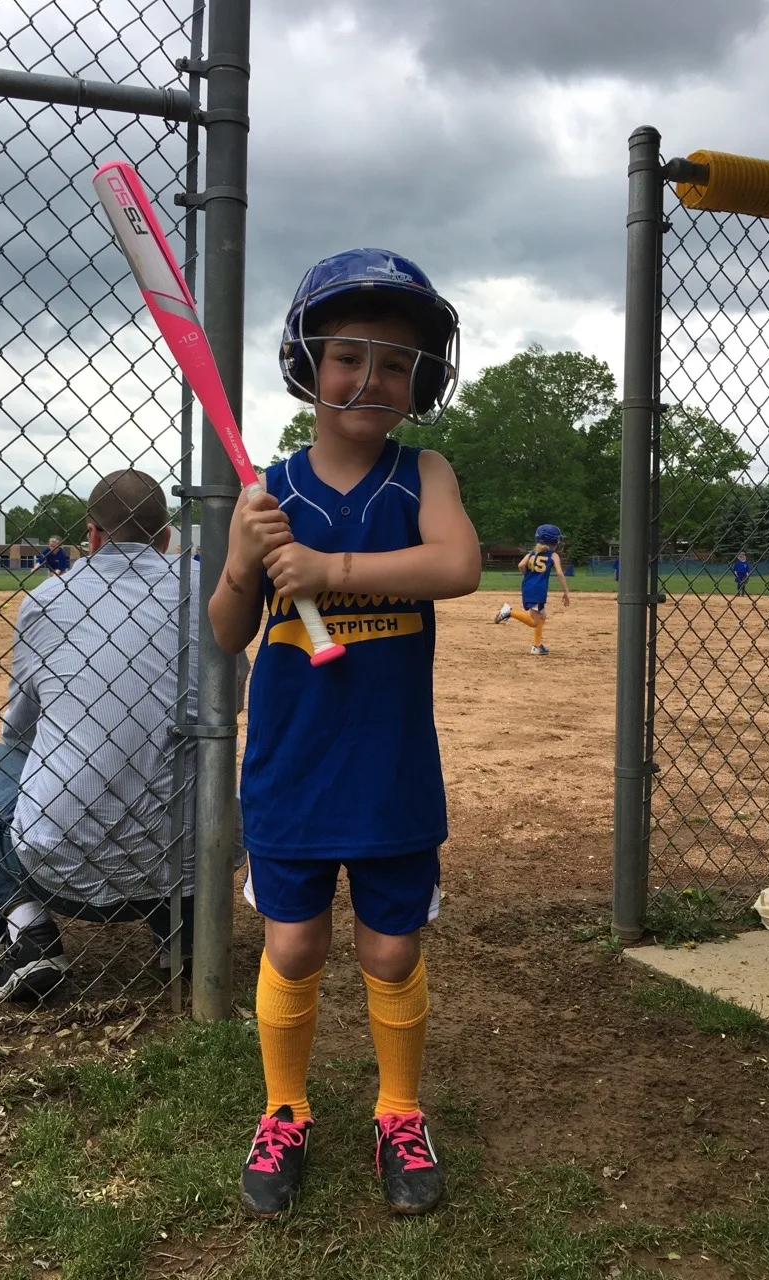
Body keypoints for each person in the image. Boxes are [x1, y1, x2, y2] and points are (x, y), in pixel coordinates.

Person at [209, 248, 481, 1219]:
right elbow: (226, 629)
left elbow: (457, 565)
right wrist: (248, 559)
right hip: (290, 770)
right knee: (291, 944)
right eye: (349, 354)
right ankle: (285, 1106)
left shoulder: (424, 472)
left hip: (390, 770)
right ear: (307, 361)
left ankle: (398, 1108)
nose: (371, 377)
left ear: (422, 380)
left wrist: (331, 570)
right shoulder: (268, 494)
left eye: (397, 361)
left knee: (392, 952)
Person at [0, 470, 244, 1002]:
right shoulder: (212, 591)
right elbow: (229, 703)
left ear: (91, 534)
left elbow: (19, 732)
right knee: (187, 769)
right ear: (166, 537)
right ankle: (186, 934)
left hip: (65, 870)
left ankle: (28, 932)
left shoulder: (49, 600)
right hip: (198, 860)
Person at [494, 524, 571, 655]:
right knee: (534, 622)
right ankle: (509, 612)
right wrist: (566, 592)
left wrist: (529, 576)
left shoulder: (532, 553)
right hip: (538, 590)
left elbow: (521, 565)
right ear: (552, 541)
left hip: (527, 587)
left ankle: (537, 646)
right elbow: (559, 573)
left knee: (542, 616)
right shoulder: (553, 555)